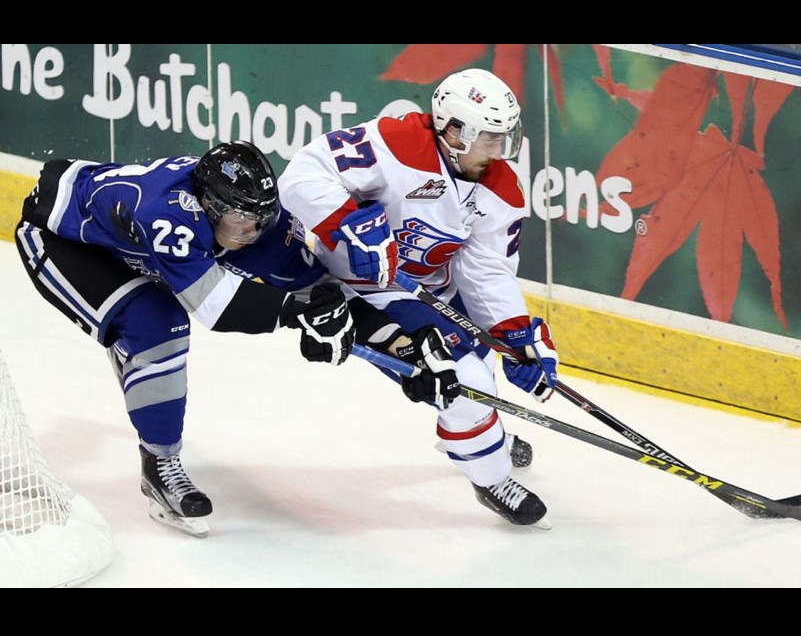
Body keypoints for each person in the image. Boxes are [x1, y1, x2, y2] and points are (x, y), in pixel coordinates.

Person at [14, 140, 460, 537]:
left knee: (160, 323)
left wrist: (405, 346)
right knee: (158, 326)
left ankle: (141, 363)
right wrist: (295, 314)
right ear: (207, 204)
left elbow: (322, 295)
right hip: (65, 242)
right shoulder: (167, 212)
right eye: (240, 219)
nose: (252, 231)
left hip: (132, 249)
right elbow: (214, 306)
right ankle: (159, 463)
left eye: (261, 218)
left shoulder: (258, 221)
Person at [278, 68, 558, 528]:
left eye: (505, 136)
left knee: (481, 370)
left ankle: (477, 428)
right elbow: (303, 175)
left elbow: (485, 267)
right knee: (467, 383)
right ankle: (491, 477)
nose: (500, 150)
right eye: (489, 137)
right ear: (452, 130)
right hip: (366, 292)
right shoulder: (395, 145)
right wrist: (346, 221)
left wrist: (514, 330)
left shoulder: (501, 186)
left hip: (433, 290)